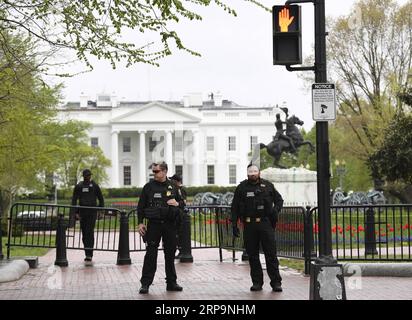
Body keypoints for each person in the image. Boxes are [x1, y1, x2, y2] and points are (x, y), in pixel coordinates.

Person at [231, 164, 284, 292]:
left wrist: (275, 212)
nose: (253, 174)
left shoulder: (268, 186)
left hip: (265, 224)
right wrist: (234, 224)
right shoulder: (242, 188)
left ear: (259, 173)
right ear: (247, 174)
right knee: (253, 256)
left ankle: (276, 282)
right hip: (249, 225)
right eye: (251, 172)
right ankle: (257, 282)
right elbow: (235, 207)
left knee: (271, 254)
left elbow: (279, 200)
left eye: (255, 171)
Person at [137, 162, 185, 294]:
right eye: (153, 171)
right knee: (151, 254)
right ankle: (145, 283)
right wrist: (140, 223)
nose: (154, 174)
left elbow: (182, 204)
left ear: (164, 172)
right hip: (154, 224)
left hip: (169, 224)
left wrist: (177, 203)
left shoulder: (174, 186)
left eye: (156, 171)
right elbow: (140, 207)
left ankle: (171, 283)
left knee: (170, 254)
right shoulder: (148, 187)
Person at [71, 169, 104, 266]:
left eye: (89, 175)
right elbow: (74, 200)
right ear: (83, 176)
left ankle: (89, 254)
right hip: (83, 213)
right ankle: (87, 252)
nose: (88, 177)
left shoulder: (94, 186)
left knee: (90, 232)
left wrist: (100, 211)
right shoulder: (79, 186)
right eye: (86, 175)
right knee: (85, 233)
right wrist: (75, 213)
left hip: (92, 213)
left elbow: (101, 199)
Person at [169, 174, 187, 259]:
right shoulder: (174, 188)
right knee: (176, 234)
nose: (171, 182)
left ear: (176, 181)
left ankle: (181, 251)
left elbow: (184, 202)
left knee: (179, 234)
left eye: (172, 180)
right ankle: (178, 250)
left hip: (180, 214)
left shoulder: (181, 189)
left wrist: (177, 204)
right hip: (175, 214)